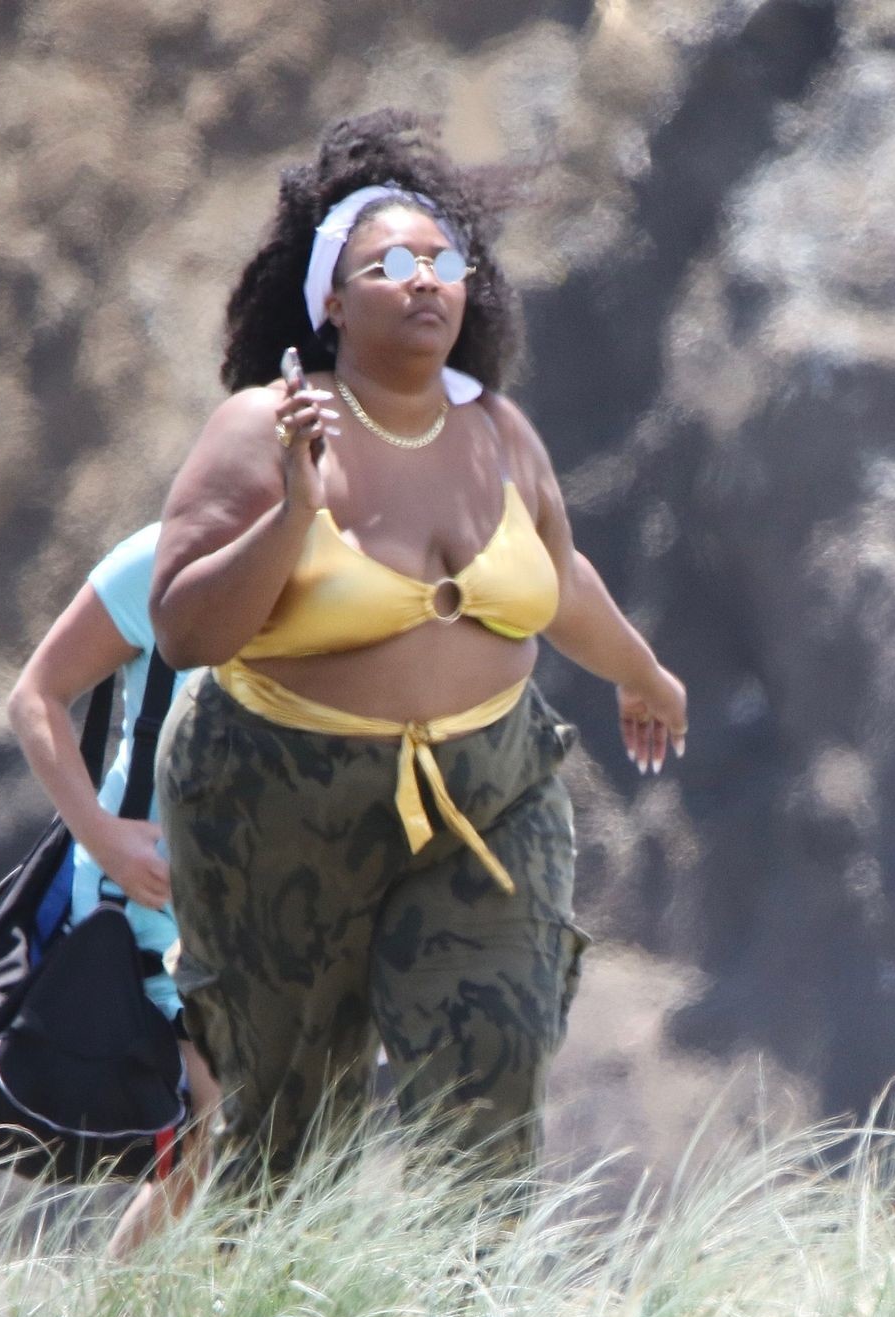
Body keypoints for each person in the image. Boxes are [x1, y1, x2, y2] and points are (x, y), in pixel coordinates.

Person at [149, 110, 688, 1194]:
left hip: (488, 794)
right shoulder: (265, 428)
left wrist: (643, 672)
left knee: (495, 1060)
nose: (426, 281)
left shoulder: (499, 433)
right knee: (290, 1137)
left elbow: (555, 579)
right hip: (275, 804)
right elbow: (184, 628)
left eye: (444, 261)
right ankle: (267, 1300)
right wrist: (293, 512)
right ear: (332, 302)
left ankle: (463, 1296)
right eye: (391, 266)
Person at [6, 523, 223, 1258]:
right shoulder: (160, 560)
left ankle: (124, 1311)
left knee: (215, 1152)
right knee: (225, 1136)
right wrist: (101, 836)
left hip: (274, 910)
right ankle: (125, 1312)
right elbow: (35, 696)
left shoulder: (338, 559)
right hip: (151, 897)